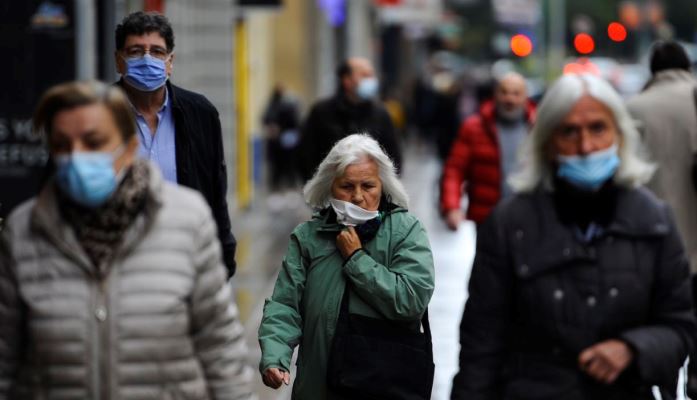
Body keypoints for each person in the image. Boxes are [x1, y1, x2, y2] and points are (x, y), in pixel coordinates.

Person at [0, 81, 252, 399]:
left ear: (129, 147)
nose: (76, 157)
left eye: (94, 142)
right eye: (63, 145)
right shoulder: (24, 232)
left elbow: (221, 351)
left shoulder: (186, 221)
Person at [451, 74, 696, 400]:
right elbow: (481, 345)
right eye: (569, 131)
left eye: (598, 128)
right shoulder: (510, 224)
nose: (585, 147)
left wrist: (632, 349)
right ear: (548, 143)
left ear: (619, 137)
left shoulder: (654, 221)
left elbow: (680, 327)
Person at [258, 134, 434, 399]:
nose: (358, 197)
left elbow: (411, 299)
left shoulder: (405, 231)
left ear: (383, 187)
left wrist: (356, 259)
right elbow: (285, 304)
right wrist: (275, 356)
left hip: (382, 384)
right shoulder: (309, 236)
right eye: (347, 186)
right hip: (319, 385)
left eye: (368, 186)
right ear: (330, 187)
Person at [114, 11, 237, 276]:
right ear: (119, 61)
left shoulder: (200, 113)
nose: (147, 60)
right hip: (116, 262)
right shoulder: (97, 113)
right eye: (135, 51)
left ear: (170, 62)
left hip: (183, 260)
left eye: (157, 52)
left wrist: (224, 257)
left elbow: (215, 191)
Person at [627, 40, 697, 397]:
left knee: (662, 329)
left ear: (653, 70)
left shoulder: (634, 108)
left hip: (652, 247)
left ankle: (666, 389)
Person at [440, 72, 536, 230]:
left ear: (525, 97)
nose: (509, 99)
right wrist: (452, 207)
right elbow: (454, 169)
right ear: (495, 94)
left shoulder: (538, 129)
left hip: (529, 219)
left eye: (516, 93)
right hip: (487, 220)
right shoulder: (474, 128)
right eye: (504, 92)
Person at [297, 58, 402, 181]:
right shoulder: (321, 112)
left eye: (372, 75)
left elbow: (394, 159)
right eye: (365, 75)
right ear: (347, 80)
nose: (371, 80)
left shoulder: (380, 114)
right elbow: (305, 156)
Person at [262, 84, 300, 191]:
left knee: (285, 169)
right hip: (277, 146)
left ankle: (286, 188)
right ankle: (279, 189)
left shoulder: (284, 106)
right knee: (277, 169)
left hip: (285, 145)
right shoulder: (273, 106)